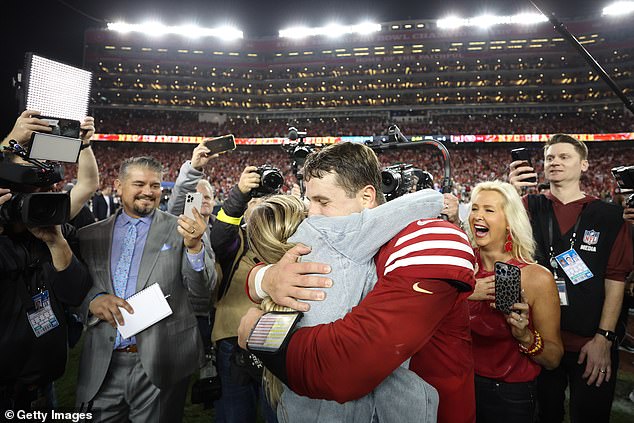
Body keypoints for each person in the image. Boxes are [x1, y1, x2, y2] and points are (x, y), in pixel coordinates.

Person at [238, 142, 477, 423]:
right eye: (309, 201)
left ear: (366, 197)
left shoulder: (430, 238)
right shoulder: (341, 240)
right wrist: (264, 279)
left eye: (322, 202)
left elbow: (344, 365)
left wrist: (261, 332)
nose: (311, 215)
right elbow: (274, 270)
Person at [246, 188, 443, 422]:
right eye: (310, 203)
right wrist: (364, 216)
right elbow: (431, 199)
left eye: (321, 201)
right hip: (354, 406)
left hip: (297, 406)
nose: (314, 211)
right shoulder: (327, 235)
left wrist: (261, 279)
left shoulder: (277, 280)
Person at [75, 156, 216, 422]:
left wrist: (195, 247)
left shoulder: (181, 229)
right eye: (139, 184)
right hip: (102, 362)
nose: (148, 192)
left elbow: (202, 295)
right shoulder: (90, 235)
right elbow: (74, 291)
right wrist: (91, 301)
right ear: (118, 185)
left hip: (160, 361)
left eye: (155, 185)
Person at [509, 134, 633, 423]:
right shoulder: (526, 207)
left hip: (590, 344)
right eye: (550, 157)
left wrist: (603, 338)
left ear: (585, 165)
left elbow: (615, 280)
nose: (555, 162)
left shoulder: (610, 216)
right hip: (538, 340)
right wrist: (511, 194)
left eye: (564, 157)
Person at [466, 181, 563, 422]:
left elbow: (553, 358)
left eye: (489, 210)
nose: (478, 216)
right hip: (458, 383)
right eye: (474, 208)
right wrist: (463, 293)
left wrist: (525, 336)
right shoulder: (459, 266)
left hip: (509, 395)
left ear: (509, 221)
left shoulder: (536, 278)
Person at [209, 165, 279, 423]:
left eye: (267, 200)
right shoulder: (236, 238)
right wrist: (240, 194)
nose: (261, 205)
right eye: (255, 200)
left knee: (278, 413)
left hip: (275, 336)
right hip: (232, 337)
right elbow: (218, 238)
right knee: (237, 413)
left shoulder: (284, 237)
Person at [167, 143, 218, 354]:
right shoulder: (178, 224)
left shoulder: (221, 228)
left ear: (215, 201)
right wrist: (194, 169)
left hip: (217, 309)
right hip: (188, 311)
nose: (203, 200)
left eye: (207, 196)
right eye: (197, 197)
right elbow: (179, 197)